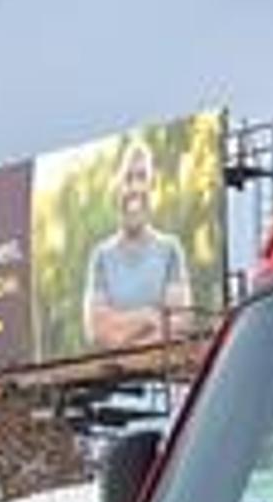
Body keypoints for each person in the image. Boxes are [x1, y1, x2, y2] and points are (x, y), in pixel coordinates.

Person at [80, 135, 197, 349]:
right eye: (128, 178)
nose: (134, 187)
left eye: (142, 177)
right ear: (117, 187)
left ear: (152, 187)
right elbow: (97, 331)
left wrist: (125, 332)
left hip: (162, 374)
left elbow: (179, 324)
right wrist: (148, 316)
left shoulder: (170, 248)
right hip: (110, 377)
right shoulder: (101, 255)